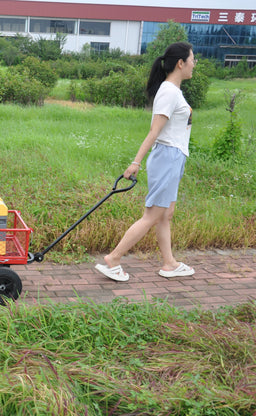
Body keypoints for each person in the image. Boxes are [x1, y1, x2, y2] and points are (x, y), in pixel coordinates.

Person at [95, 42, 196, 282]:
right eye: (192, 59)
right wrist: (136, 162)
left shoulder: (173, 90)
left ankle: (170, 263)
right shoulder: (169, 92)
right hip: (167, 157)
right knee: (152, 215)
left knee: (165, 214)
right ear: (180, 63)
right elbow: (155, 131)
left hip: (174, 157)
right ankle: (114, 259)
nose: (194, 64)